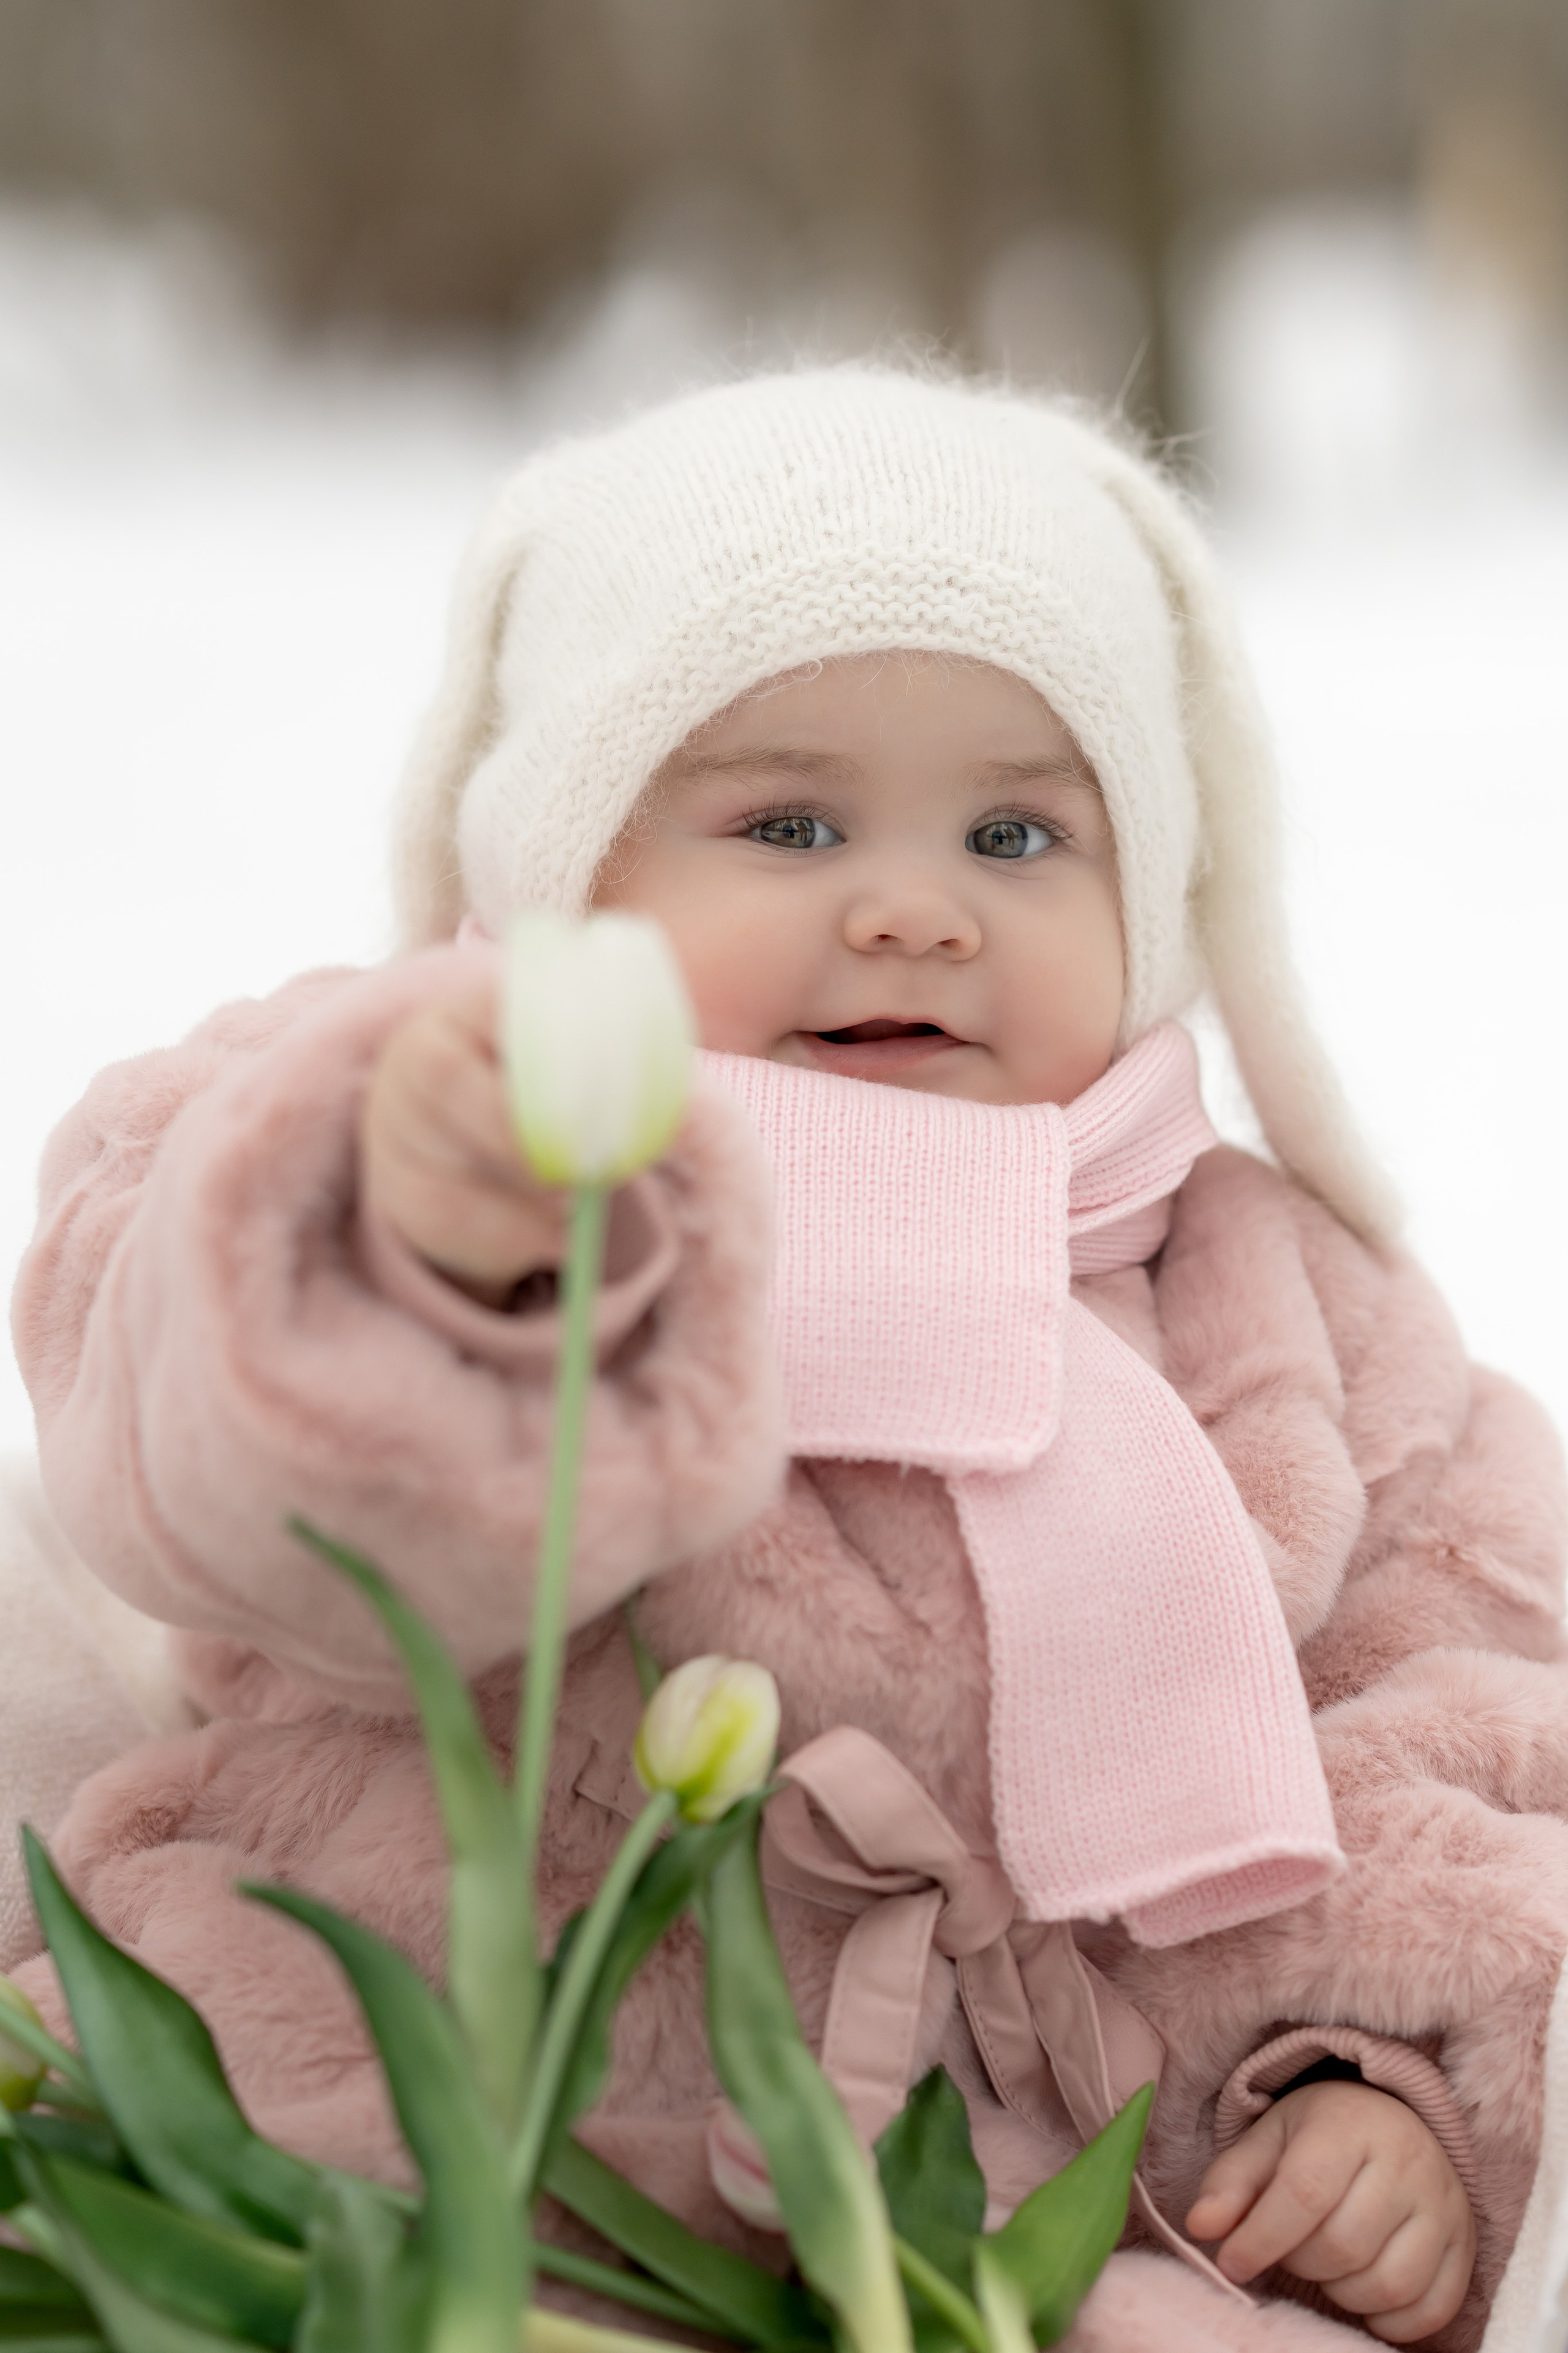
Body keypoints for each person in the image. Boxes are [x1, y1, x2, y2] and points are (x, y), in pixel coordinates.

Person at [9, 369, 1567, 2352]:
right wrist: (424, 1247)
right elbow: (189, 1428)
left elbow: (1461, 1699)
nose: (915, 909)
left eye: (1016, 831)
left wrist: (1384, 2081)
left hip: (1065, 2206)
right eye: (792, 822)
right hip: (425, 2117)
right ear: (573, 871)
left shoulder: (1268, 1288)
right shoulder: (407, 1124)